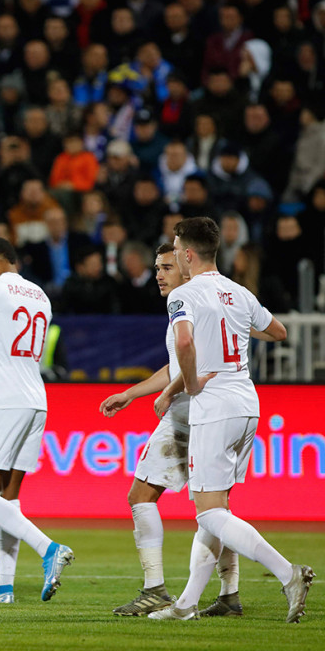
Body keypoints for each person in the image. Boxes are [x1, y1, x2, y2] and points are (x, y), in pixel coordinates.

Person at [148, 217, 313, 622]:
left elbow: (183, 341)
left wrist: (188, 383)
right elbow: (278, 332)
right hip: (247, 404)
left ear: (187, 254)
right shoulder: (239, 292)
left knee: (208, 512)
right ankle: (186, 605)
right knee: (216, 509)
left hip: (214, 407)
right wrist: (235, 330)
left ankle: (287, 572)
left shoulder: (183, 295)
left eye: (175, 250)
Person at [100, 242, 236, 616]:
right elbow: (175, 364)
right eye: (157, 267)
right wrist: (131, 393)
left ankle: (154, 588)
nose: (159, 274)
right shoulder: (201, 306)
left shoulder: (186, 303)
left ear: (185, 268)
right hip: (218, 409)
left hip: (189, 411)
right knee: (216, 507)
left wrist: (171, 392)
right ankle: (229, 593)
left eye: (166, 267)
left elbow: (196, 364)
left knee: (140, 495)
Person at [0, 237, 74, 605]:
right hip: (36, 398)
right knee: (8, 498)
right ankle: (4, 585)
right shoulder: (40, 295)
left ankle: (48, 549)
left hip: (5, 398)